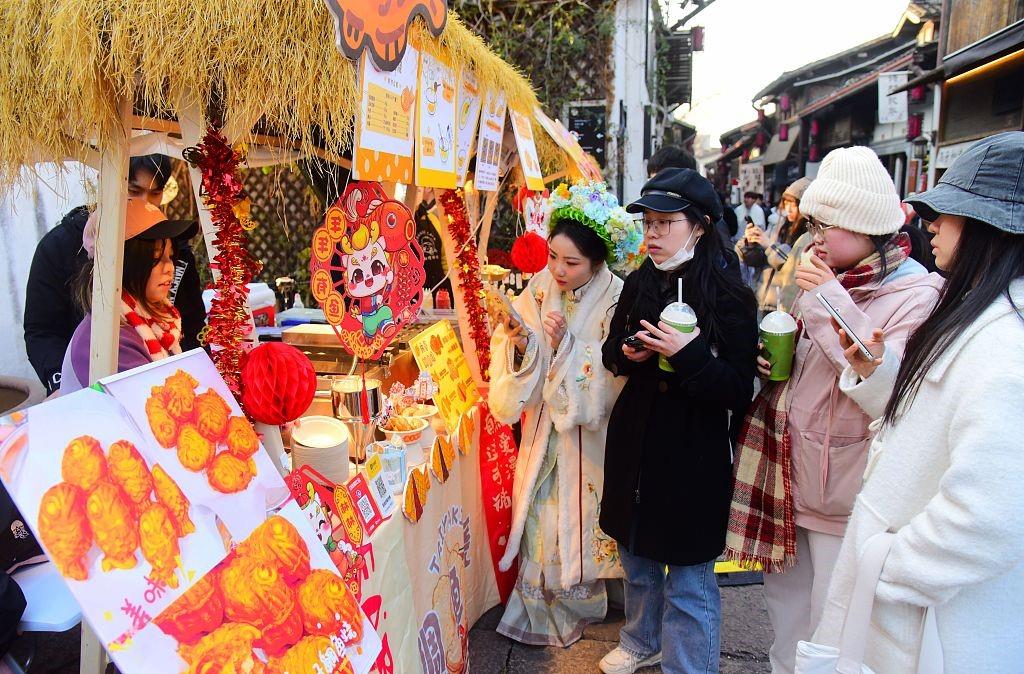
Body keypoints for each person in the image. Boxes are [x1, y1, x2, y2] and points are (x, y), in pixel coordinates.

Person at [724, 147, 943, 674]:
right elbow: (811, 362)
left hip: (846, 488)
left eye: (831, 224)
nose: (816, 236)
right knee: (786, 613)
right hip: (789, 473)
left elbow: (887, 391)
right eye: (816, 222)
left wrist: (825, 302)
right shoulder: (825, 279)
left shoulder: (919, 293)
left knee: (834, 625)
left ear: (869, 228)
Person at [813, 131, 1024, 673]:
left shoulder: (1006, 342)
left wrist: (889, 567)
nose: (932, 223)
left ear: (990, 228)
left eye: (949, 213)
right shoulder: (984, 313)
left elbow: (993, 512)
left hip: (932, 622)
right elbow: (918, 425)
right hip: (915, 608)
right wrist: (871, 372)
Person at [598, 168, 758, 674]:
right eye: (648, 222)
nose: (652, 234)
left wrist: (689, 356)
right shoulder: (640, 282)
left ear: (701, 226)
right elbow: (611, 353)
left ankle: (689, 666)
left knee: (690, 579)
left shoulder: (731, 295)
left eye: (666, 223)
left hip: (692, 454)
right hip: (636, 445)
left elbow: (737, 388)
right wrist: (628, 353)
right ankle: (641, 639)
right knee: (637, 560)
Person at [490, 181, 643, 647]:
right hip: (542, 430)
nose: (557, 269)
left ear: (597, 261)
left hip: (587, 436)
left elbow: (614, 371)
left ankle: (584, 598)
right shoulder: (538, 288)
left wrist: (566, 347)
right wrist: (523, 343)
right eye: (552, 256)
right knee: (542, 513)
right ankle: (541, 601)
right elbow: (521, 351)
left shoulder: (618, 297)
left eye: (571, 262)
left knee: (585, 514)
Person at [24, 154, 205, 395]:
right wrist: (58, 382)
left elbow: (192, 324)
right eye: (134, 190)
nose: (144, 202)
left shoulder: (175, 251)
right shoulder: (58, 247)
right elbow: (42, 330)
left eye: (155, 193)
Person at [59, 199, 196, 394]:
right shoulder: (110, 338)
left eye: (171, 256)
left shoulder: (148, 322)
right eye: (155, 257)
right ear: (121, 264)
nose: (169, 268)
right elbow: (154, 409)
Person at [738, 177, 813, 314]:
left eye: (794, 204)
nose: (789, 209)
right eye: (786, 203)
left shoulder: (808, 234)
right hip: (766, 296)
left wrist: (769, 245)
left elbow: (790, 264)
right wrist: (752, 242)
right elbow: (756, 260)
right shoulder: (779, 225)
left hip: (785, 301)